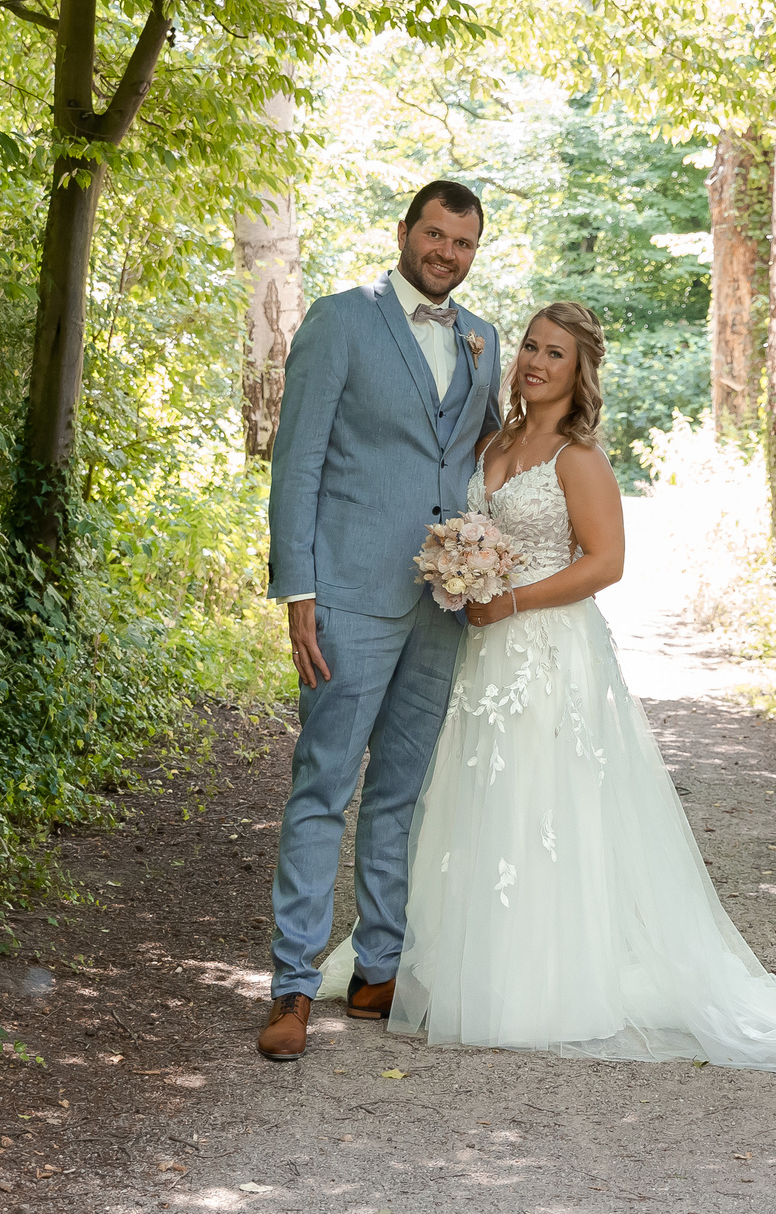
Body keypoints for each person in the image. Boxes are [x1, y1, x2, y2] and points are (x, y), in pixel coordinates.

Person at [317, 301, 776, 1074]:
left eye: (554, 354)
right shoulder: (492, 440)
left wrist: (511, 596)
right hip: (479, 651)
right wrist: (460, 572)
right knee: (470, 798)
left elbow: (605, 562)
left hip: (546, 651)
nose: (533, 362)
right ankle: (456, 964)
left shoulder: (577, 457)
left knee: (543, 803)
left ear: (577, 371)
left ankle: (538, 983)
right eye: (529, 346)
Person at [257, 180, 502, 1061]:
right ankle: (291, 985)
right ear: (404, 232)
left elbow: (484, 456)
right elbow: (298, 462)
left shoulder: (485, 338)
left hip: (442, 604)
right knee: (323, 785)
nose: (445, 251)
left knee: (401, 793)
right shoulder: (339, 319)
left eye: (462, 242)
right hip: (349, 595)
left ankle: (376, 970)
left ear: (474, 251)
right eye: (434, 234)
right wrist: (299, 590)